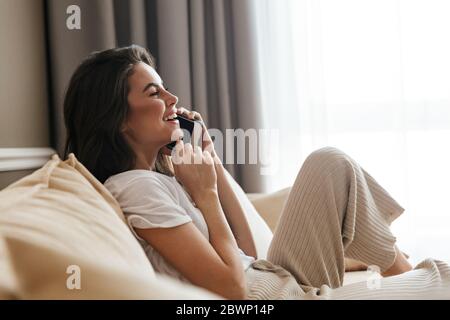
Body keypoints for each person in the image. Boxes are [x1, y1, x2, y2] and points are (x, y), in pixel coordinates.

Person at [63, 45, 450, 299]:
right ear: (117, 121)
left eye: (165, 89)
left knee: (330, 162)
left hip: (275, 277)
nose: (172, 99)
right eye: (153, 93)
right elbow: (233, 290)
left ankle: (400, 269)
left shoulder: (161, 179)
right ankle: (407, 274)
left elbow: (246, 255)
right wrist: (206, 196)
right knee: (442, 276)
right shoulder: (133, 188)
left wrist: (210, 163)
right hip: (271, 298)